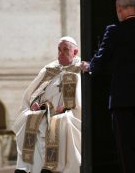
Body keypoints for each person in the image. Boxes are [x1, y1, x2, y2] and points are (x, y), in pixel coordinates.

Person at [81, 0, 135, 173]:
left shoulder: (114, 31)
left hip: (122, 100)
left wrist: (89, 66)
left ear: (119, 9)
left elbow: (100, 62)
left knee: (126, 151)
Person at [12, 36, 82, 173]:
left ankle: (52, 168)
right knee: (28, 117)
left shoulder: (79, 70)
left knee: (61, 121)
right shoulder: (50, 69)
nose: (61, 53)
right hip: (45, 111)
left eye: (65, 50)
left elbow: (79, 100)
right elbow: (33, 92)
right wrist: (35, 104)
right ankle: (26, 167)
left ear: (75, 52)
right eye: (59, 50)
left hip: (66, 113)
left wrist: (66, 107)